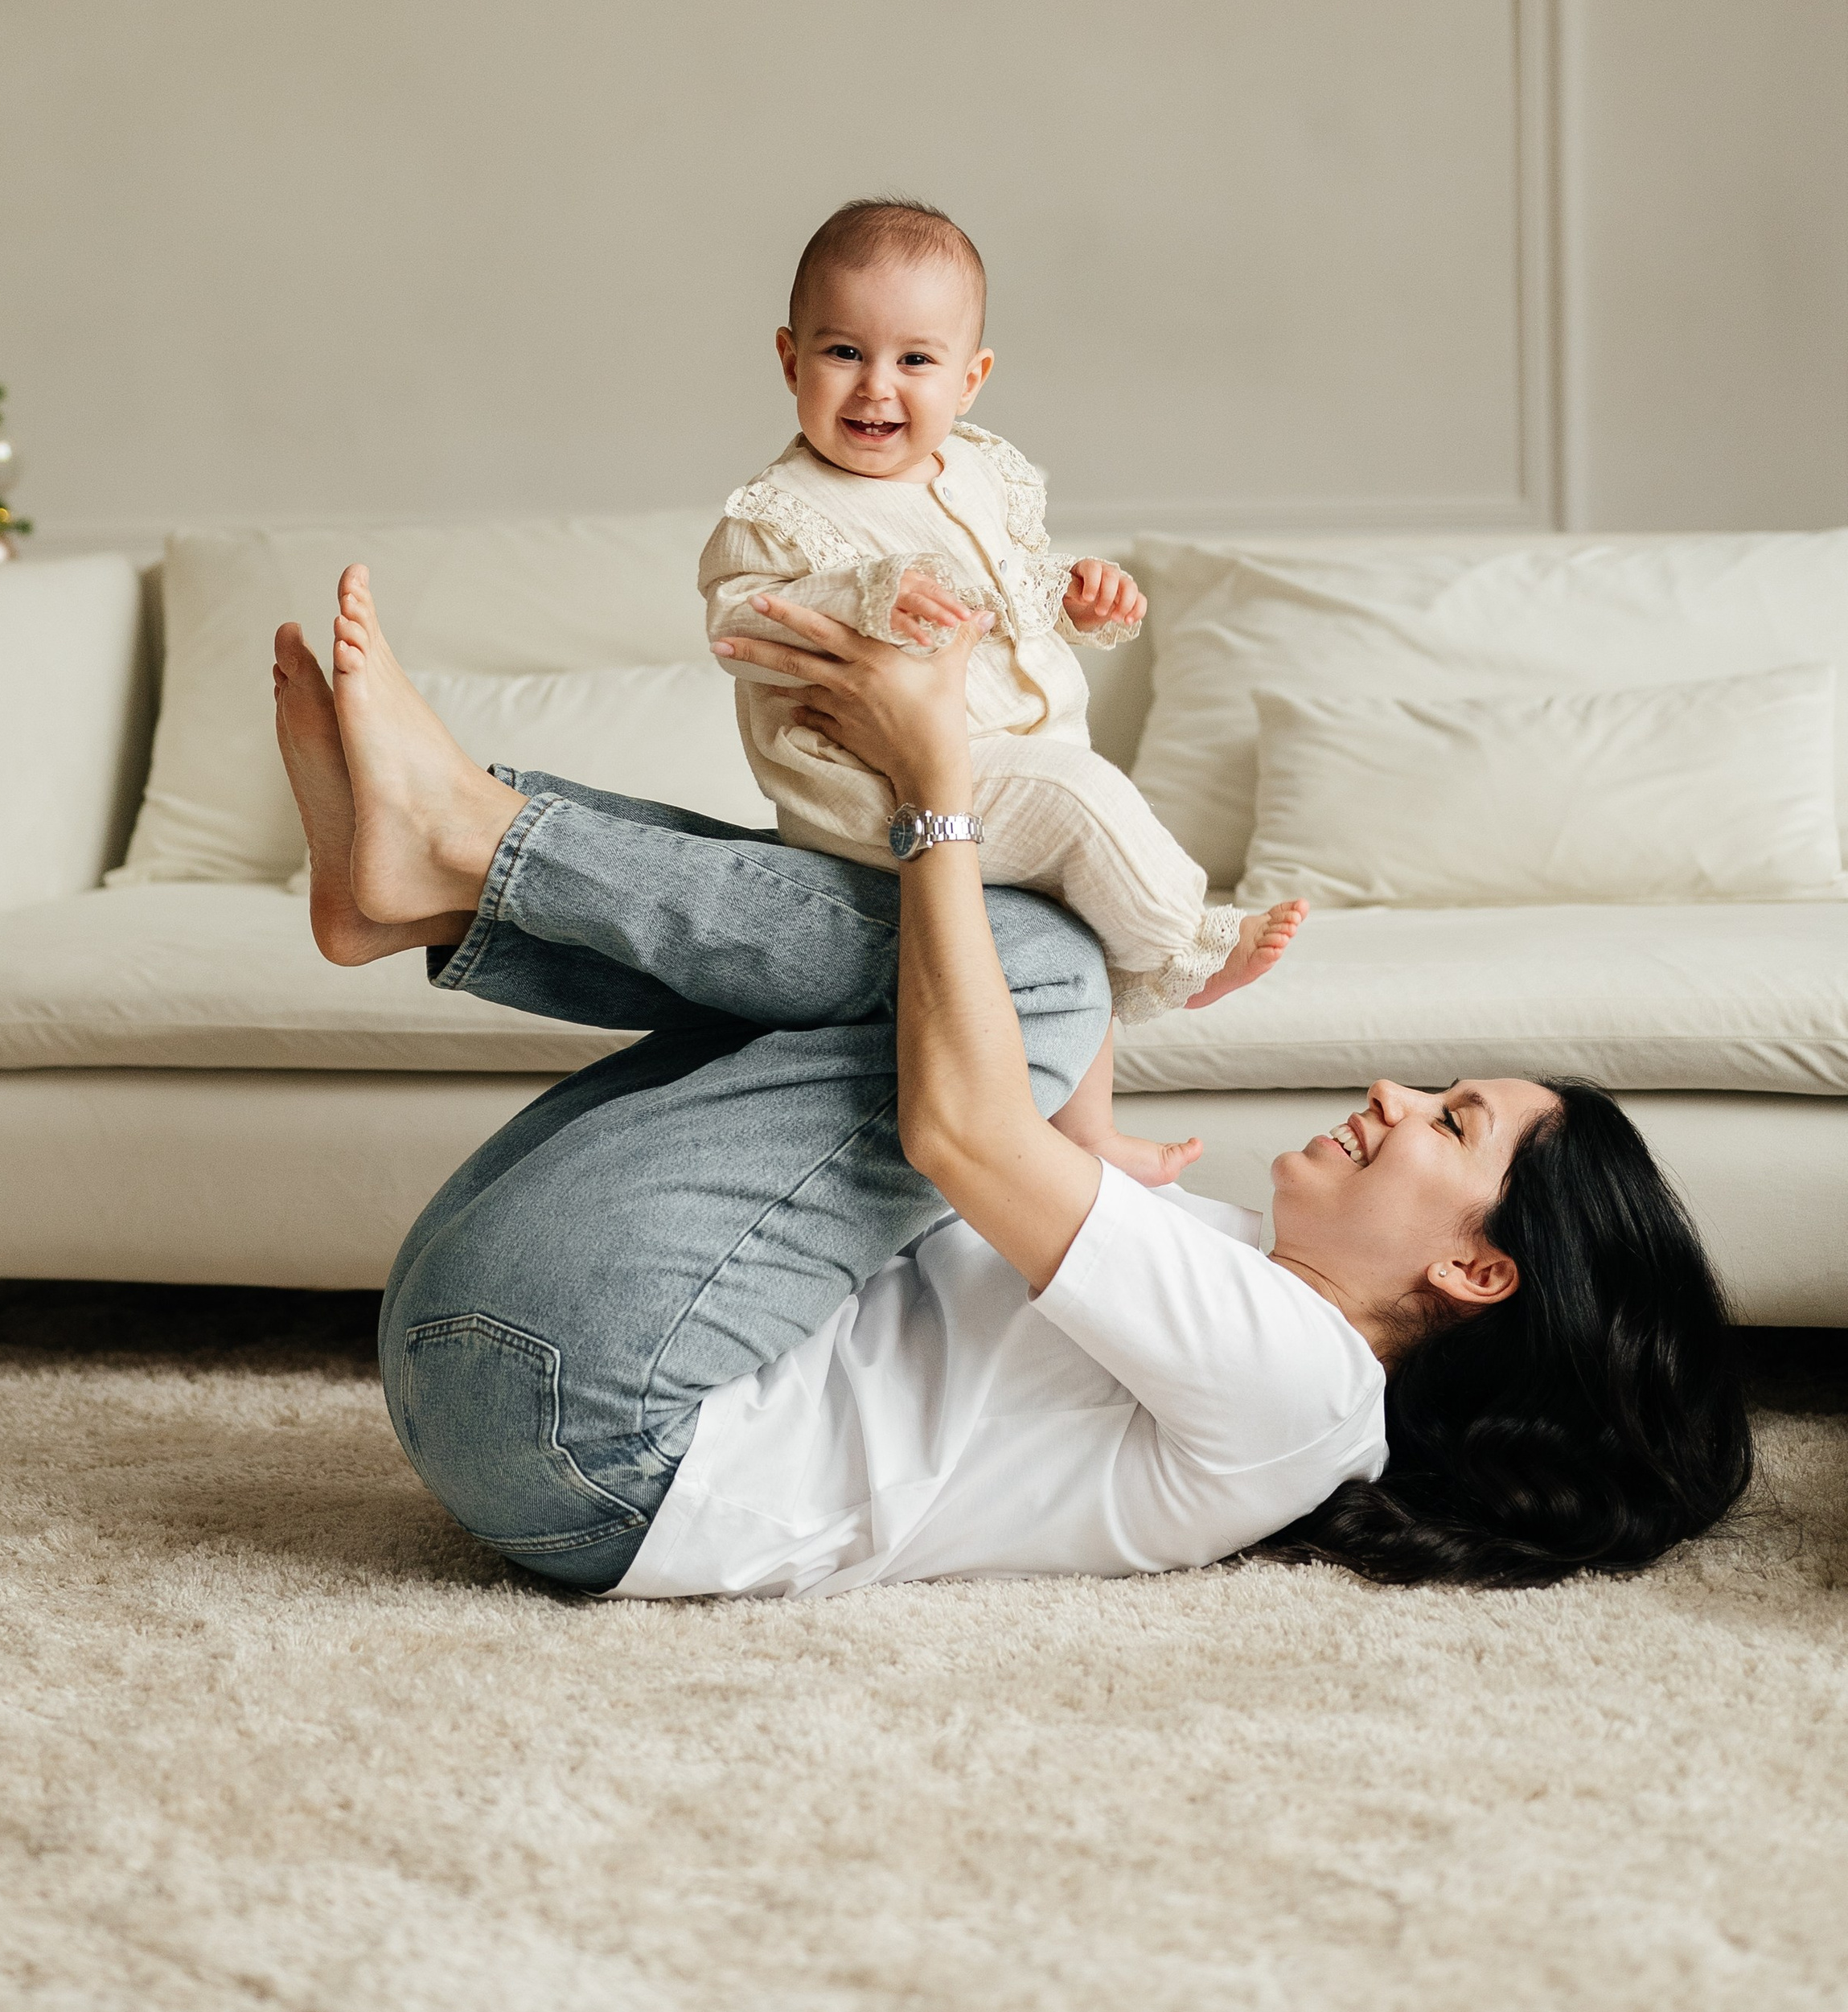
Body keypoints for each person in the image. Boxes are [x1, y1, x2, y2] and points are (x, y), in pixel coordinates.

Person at [270, 563, 1753, 1600]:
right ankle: (436, 879)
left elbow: (960, 1127)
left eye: (1451, 1121)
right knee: (999, 968)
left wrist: (942, 778)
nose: (1393, 1093)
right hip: (528, 1377)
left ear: (1477, 1268)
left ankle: (468, 849)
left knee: (1029, 965)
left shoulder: (1309, 1388)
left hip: (597, 1420)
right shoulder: (1241, 1284)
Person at [699, 194, 1306, 1023]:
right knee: (1084, 801)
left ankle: (1101, 1056)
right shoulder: (777, 510)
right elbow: (737, 620)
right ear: (790, 360)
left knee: (1074, 899)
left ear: (970, 379)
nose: (876, 385)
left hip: (1017, 751)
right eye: (844, 351)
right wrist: (863, 594)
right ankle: (1183, 951)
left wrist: (1071, 598)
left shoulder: (981, 472)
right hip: (879, 786)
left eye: (915, 359)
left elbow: (1004, 589)